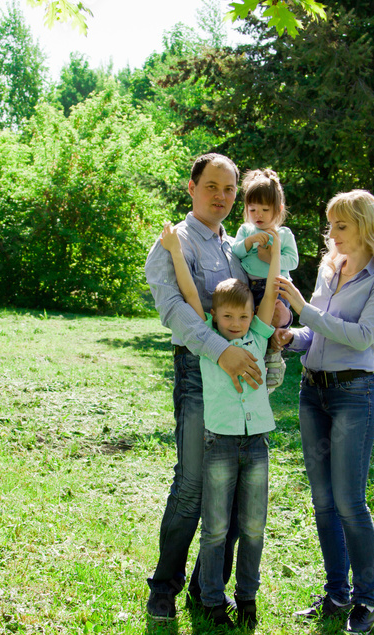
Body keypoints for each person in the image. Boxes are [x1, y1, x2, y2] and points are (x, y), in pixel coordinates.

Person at [275, 190, 374, 634]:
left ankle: (366, 601)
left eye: (341, 225)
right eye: (330, 225)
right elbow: (318, 334)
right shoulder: (330, 269)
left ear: (366, 227)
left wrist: (302, 309)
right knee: (323, 502)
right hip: (312, 393)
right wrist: (291, 338)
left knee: (349, 502)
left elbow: (361, 336)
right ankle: (336, 594)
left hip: (353, 394)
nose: (332, 234)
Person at [143, 153, 264, 622]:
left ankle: (205, 588)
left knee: (230, 493)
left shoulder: (236, 249)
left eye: (230, 189)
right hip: (198, 374)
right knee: (192, 486)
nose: (221, 196)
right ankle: (164, 588)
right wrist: (221, 351)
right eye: (212, 186)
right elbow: (174, 310)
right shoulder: (173, 243)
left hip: (238, 383)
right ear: (191, 187)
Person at [158, 221, 281, 630]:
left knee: (253, 527)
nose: (236, 323)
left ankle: (247, 598)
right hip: (220, 443)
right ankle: (210, 600)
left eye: (243, 316)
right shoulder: (210, 343)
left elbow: (270, 295)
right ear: (215, 316)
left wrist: (275, 254)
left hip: (257, 444)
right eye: (227, 315)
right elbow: (190, 296)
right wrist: (176, 250)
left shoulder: (258, 335)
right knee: (215, 527)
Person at [230, 169, 299, 393]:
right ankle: (253, 362)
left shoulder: (283, 234)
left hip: (276, 287)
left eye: (265, 210)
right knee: (253, 326)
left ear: (278, 210)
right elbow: (235, 252)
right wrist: (249, 242)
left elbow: (293, 261)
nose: (258, 215)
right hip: (250, 288)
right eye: (252, 210)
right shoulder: (246, 230)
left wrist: (272, 257)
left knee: (274, 320)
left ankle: (275, 357)